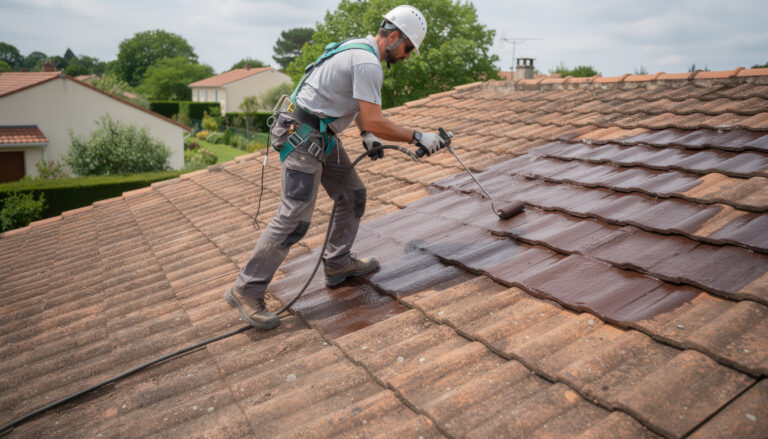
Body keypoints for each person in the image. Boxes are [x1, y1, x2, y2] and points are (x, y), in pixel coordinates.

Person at [225, 5, 447, 329]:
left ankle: (338, 264)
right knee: (295, 216)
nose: (408, 56)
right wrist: (417, 136)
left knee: (353, 194)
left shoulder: (358, 49)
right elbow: (374, 115)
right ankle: (246, 289)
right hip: (302, 135)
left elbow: (355, 105)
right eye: (408, 48)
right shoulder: (368, 62)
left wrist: (366, 134)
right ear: (394, 37)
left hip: (321, 135)